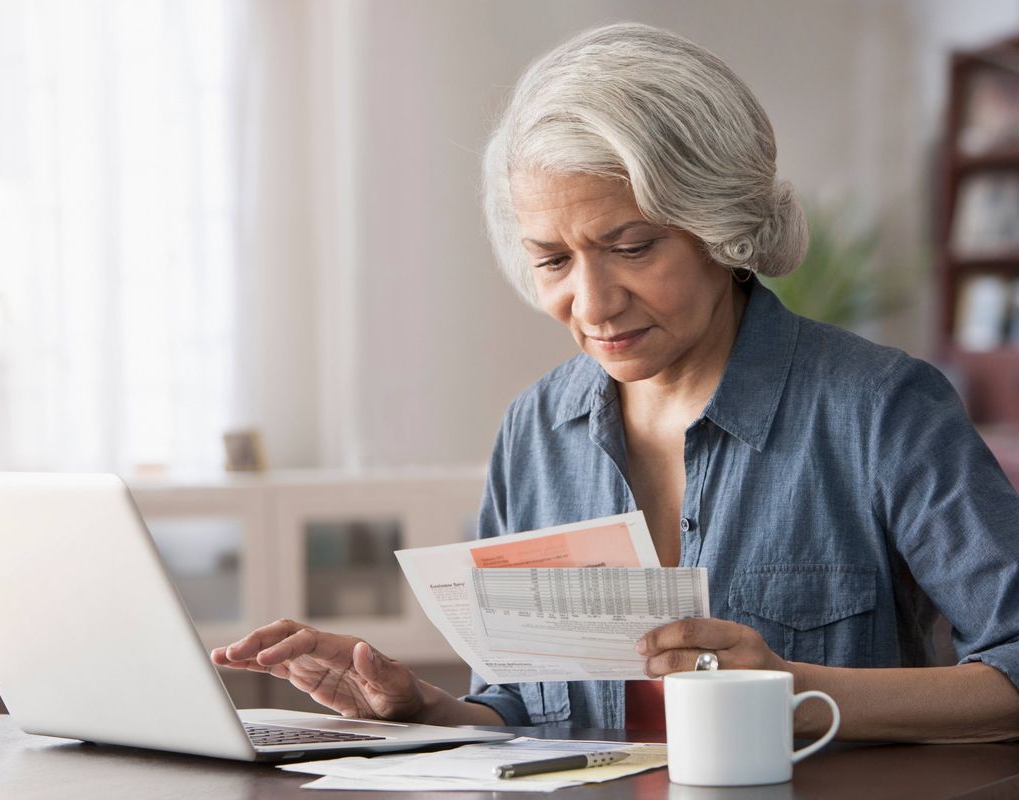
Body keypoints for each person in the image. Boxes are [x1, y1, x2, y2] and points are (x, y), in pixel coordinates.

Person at [213, 23, 1019, 742]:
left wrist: (797, 692)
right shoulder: (536, 428)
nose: (591, 304)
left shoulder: (879, 410)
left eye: (631, 246)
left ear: (721, 227)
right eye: (553, 261)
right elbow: (523, 710)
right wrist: (422, 708)